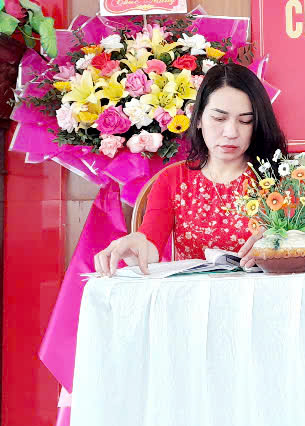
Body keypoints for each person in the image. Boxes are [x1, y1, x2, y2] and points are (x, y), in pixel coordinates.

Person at [93, 63, 287, 274]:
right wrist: (134, 245)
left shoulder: (281, 177)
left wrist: (283, 244)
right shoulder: (173, 179)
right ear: (198, 117)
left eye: (246, 121)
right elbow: (150, 241)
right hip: (192, 292)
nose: (231, 132)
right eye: (219, 118)